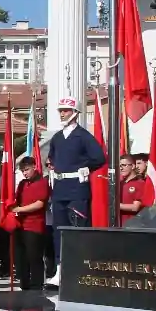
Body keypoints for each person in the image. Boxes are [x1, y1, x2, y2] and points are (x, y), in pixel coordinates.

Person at [42, 96, 105, 290]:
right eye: (60, 110)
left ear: (75, 113)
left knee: (78, 228)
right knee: (59, 231)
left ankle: (80, 268)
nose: (62, 113)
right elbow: (52, 156)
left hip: (77, 188)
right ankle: (60, 270)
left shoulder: (83, 136)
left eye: (66, 111)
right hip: (60, 188)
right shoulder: (58, 137)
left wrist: (86, 167)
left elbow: (99, 157)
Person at [10, 156, 49, 292]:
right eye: (22, 171)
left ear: (34, 166)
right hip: (20, 225)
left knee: (34, 257)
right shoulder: (22, 184)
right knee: (21, 258)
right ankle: (24, 284)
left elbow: (40, 203)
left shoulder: (42, 182)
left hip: (34, 225)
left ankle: (37, 285)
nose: (25, 173)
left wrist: (21, 210)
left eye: (26, 170)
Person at [120, 152, 156, 225]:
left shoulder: (140, 183)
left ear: (133, 166)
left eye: (124, 165)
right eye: (120, 165)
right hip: (119, 224)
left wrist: (115, 205)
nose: (121, 168)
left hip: (132, 226)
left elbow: (135, 207)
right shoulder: (120, 183)